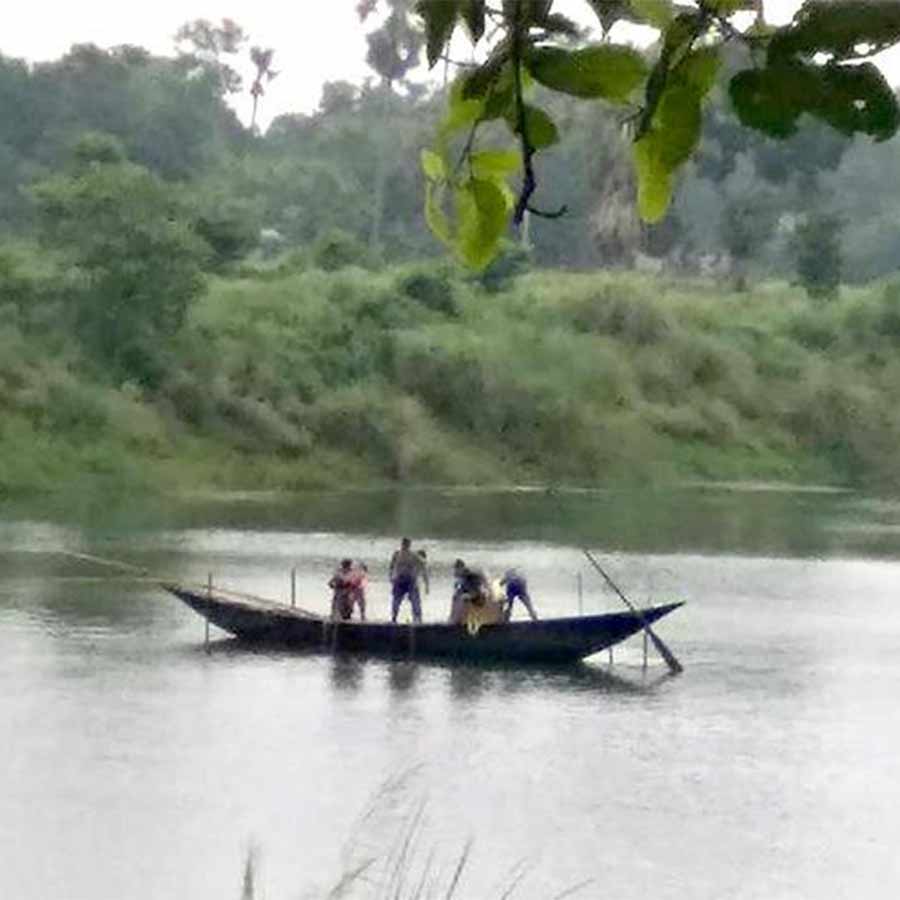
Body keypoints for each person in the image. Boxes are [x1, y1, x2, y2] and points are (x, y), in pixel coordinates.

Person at [389, 537, 427, 623]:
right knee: (396, 600)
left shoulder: (413, 555)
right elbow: (391, 566)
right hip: (400, 580)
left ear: (409, 545)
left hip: (410, 580)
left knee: (415, 600)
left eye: (406, 545)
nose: (405, 546)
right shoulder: (397, 554)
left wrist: (426, 583)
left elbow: (423, 565)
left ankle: (417, 618)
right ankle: (394, 618)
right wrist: (391, 577)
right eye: (404, 544)